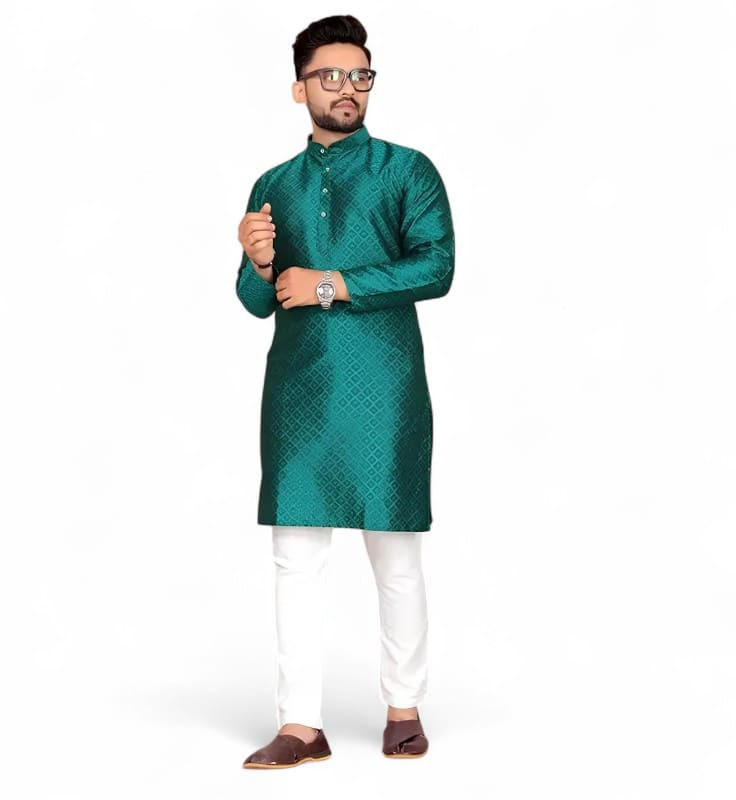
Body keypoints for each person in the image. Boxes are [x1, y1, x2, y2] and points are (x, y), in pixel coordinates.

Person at [235, 14, 455, 769]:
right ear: (299, 88)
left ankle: (403, 709)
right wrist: (256, 261)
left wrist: (330, 283)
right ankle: (300, 725)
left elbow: (436, 267)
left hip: (385, 387)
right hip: (299, 393)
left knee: (395, 555)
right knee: (295, 557)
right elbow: (256, 302)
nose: (347, 89)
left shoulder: (406, 171)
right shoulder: (274, 185)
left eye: (359, 75)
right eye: (329, 76)